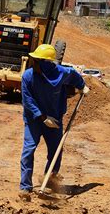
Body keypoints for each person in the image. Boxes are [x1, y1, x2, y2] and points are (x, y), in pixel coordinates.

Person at [19, 44, 89, 201]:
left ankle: (49, 180)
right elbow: (27, 100)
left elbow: (74, 75)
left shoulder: (61, 73)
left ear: (45, 62)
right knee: (28, 150)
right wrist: (42, 117)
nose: (33, 62)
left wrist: (82, 86)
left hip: (55, 119)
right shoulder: (28, 76)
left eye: (36, 60)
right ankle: (25, 186)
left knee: (56, 151)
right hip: (34, 120)